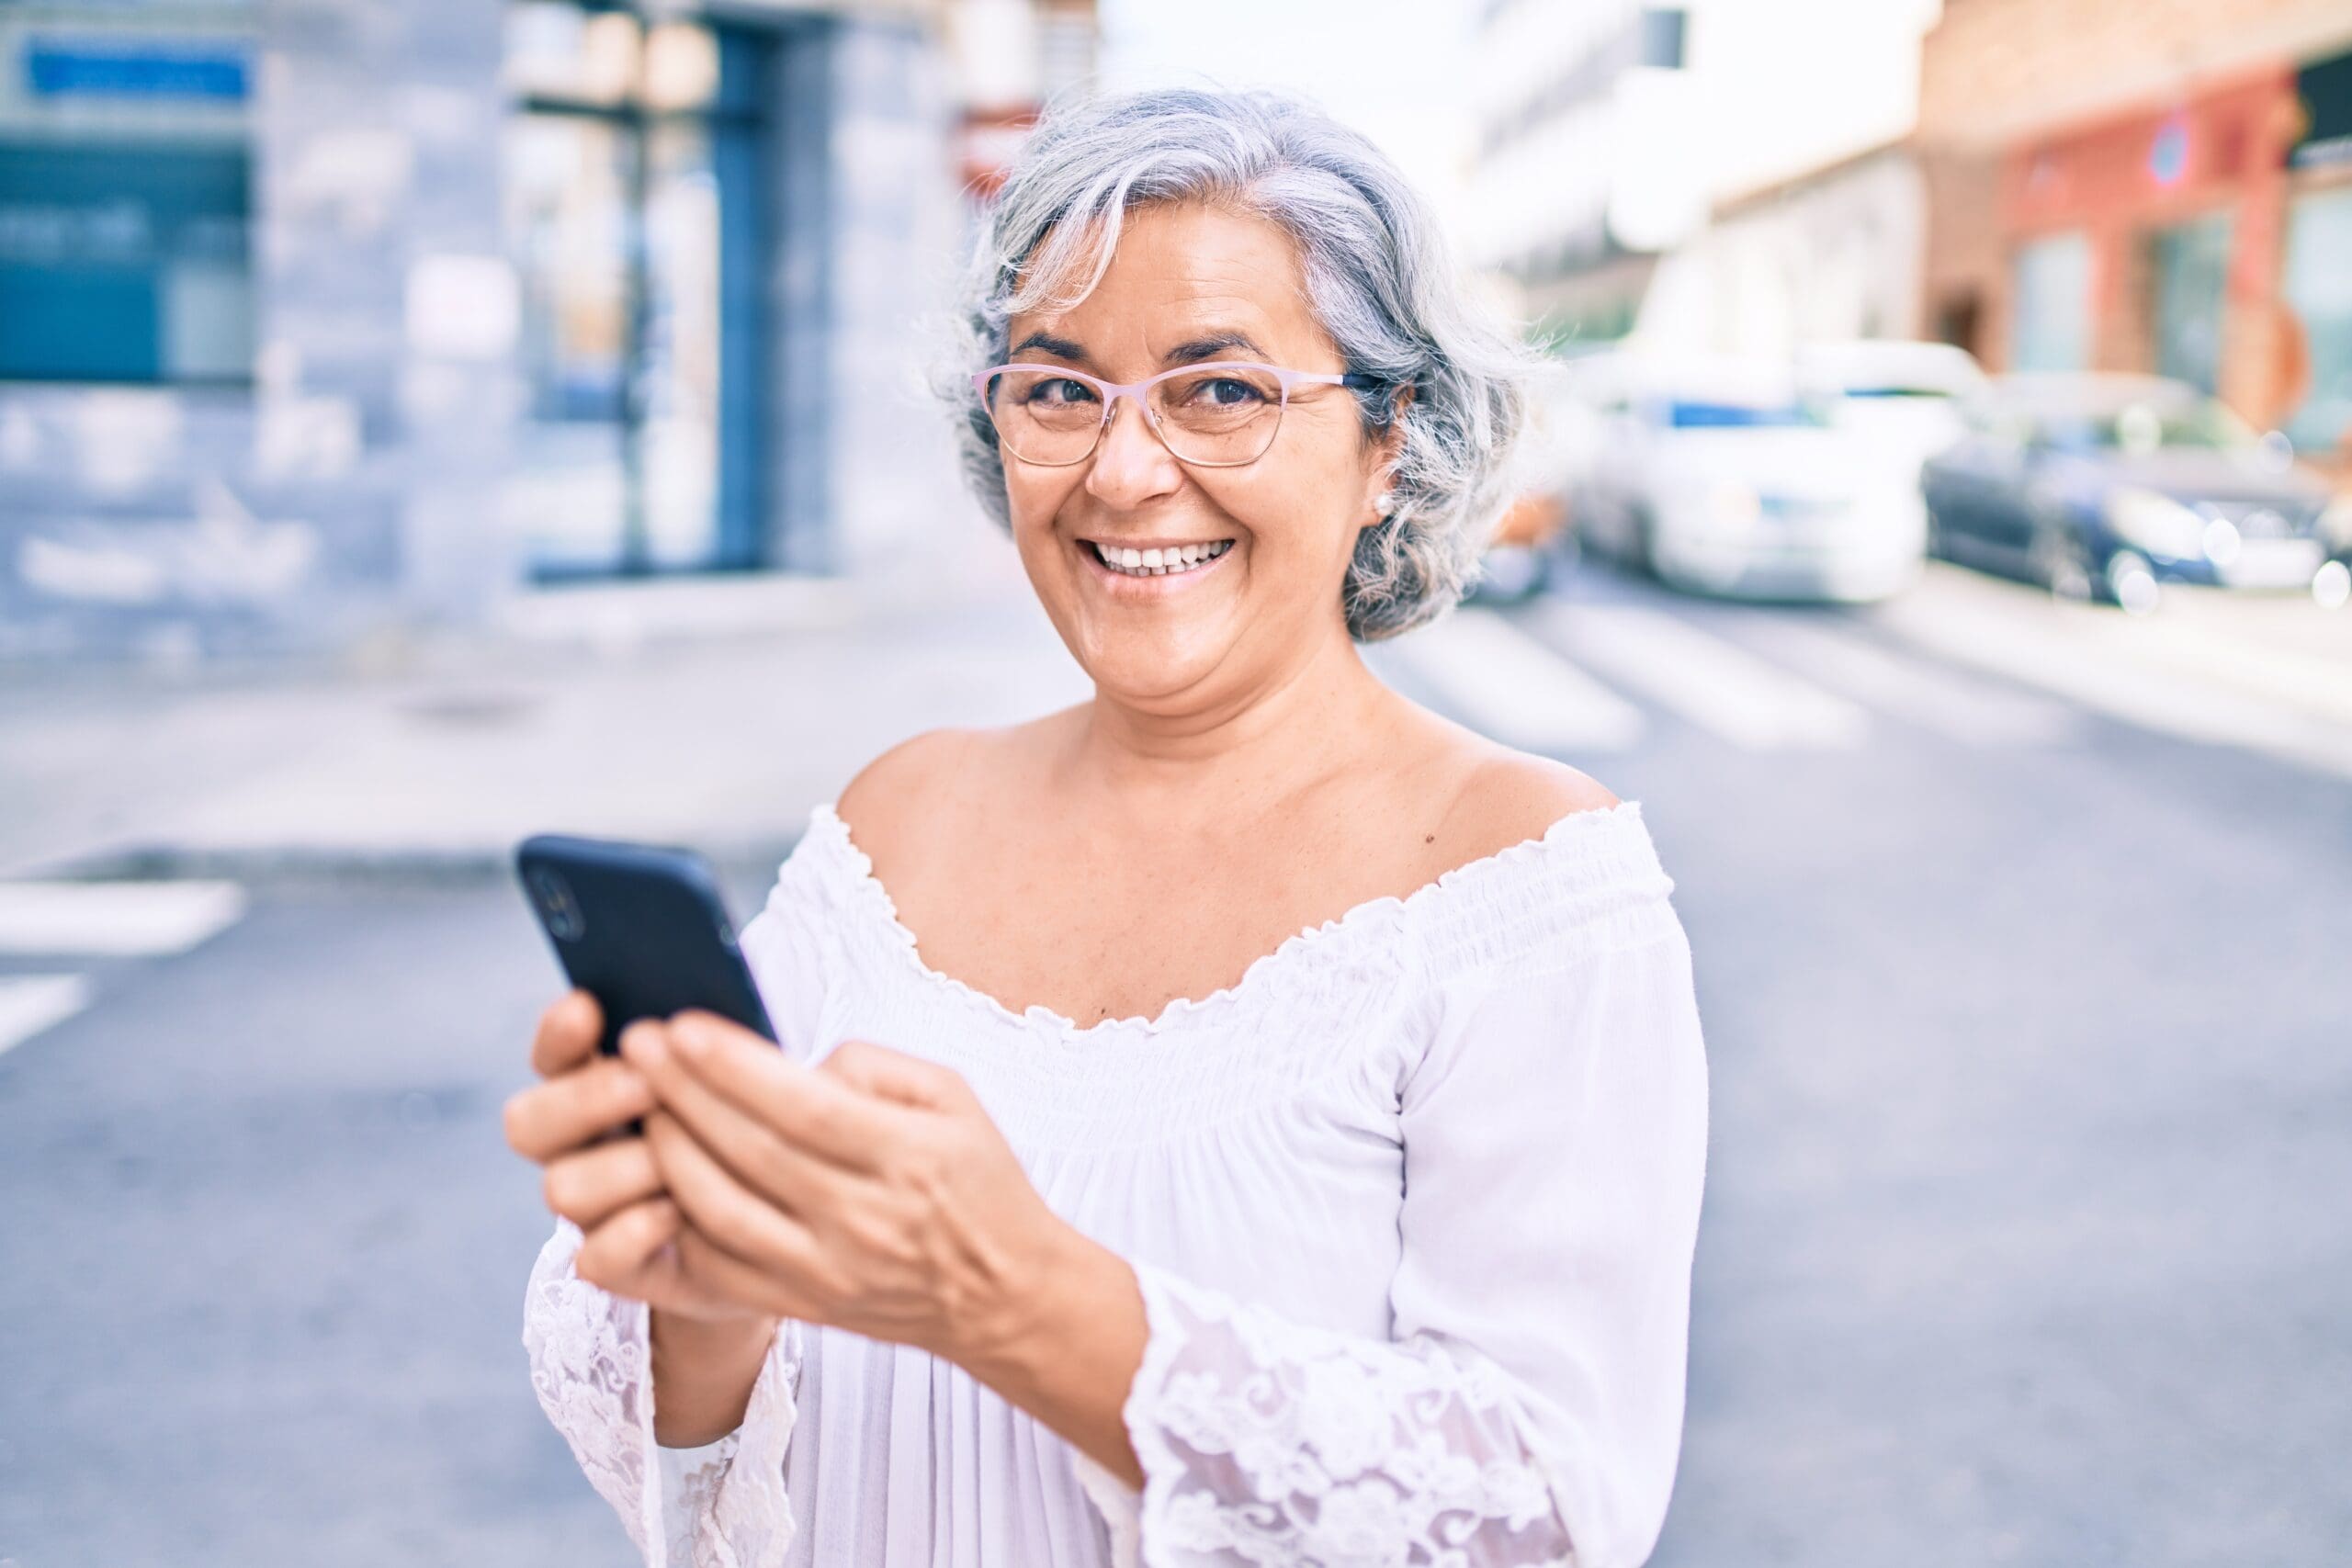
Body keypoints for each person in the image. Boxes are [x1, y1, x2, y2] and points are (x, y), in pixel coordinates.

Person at [502, 85, 1710, 1568]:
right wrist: (708, 1283)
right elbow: (685, 1458)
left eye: (1221, 391)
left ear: (1390, 440)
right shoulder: (897, 821)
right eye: (1061, 389)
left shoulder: (1528, 889)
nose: (1124, 473)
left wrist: (1012, 1293)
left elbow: (1546, 1514)